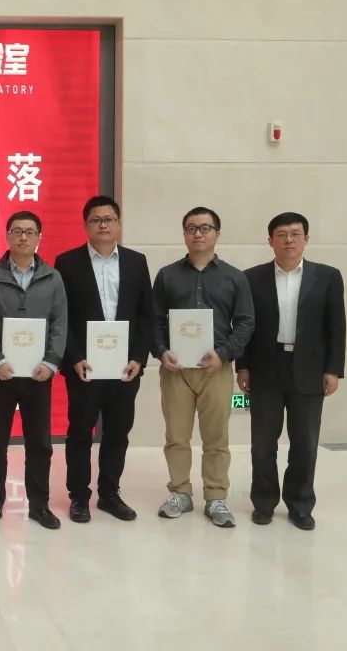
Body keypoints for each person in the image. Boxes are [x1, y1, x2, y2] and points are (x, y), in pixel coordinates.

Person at [236, 212, 345, 530]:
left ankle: (300, 504)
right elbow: (245, 325)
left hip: (310, 370)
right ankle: (264, 502)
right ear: (270, 240)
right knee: (262, 444)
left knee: (305, 444)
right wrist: (243, 365)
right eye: (281, 234)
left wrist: (333, 370)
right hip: (265, 369)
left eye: (295, 234)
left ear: (306, 239)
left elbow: (336, 326)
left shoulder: (327, 277)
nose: (288, 240)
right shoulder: (251, 278)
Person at [152, 207, 254, 527]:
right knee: (176, 436)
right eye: (191, 228)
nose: (198, 233)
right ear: (184, 233)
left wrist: (223, 354)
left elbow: (246, 322)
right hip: (176, 370)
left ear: (217, 234)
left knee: (216, 437)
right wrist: (161, 352)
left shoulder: (235, 277)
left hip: (216, 369)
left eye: (205, 227)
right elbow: (154, 321)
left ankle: (216, 496)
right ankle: (180, 492)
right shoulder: (167, 275)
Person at [54, 196, 153, 523]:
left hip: (125, 368)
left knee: (117, 433)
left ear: (119, 224)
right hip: (85, 367)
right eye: (96, 220)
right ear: (86, 225)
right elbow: (61, 317)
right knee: (80, 432)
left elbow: (146, 315)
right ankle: (79, 496)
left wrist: (139, 357)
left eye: (109, 219)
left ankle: (110, 493)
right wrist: (74, 357)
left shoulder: (136, 262)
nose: (103, 225)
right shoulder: (67, 263)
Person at [0, 210, 68, 531]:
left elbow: (59, 322)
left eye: (30, 232)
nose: (23, 237)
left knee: (39, 442)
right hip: (1, 374)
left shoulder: (52, 277)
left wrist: (51, 362)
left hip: (38, 374)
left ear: (39, 237)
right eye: (17, 231)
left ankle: (40, 505)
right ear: (7, 236)